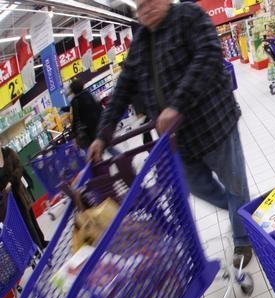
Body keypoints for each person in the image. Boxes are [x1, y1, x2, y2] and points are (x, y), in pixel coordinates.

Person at [87, 0, 253, 267]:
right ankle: (243, 213)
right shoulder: (141, 40)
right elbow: (123, 87)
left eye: (150, 3)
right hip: (178, 141)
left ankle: (244, 239)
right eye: (140, 8)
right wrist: (102, 134)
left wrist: (177, 105)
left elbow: (208, 57)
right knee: (198, 187)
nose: (146, 11)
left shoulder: (189, 15)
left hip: (215, 125)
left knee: (235, 185)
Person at [0, 145, 46, 249]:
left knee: (31, 217)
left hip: (19, 192)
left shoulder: (8, 152)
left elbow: (19, 167)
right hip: (8, 200)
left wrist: (11, 182)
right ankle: (37, 249)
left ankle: (41, 242)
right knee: (25, 224)